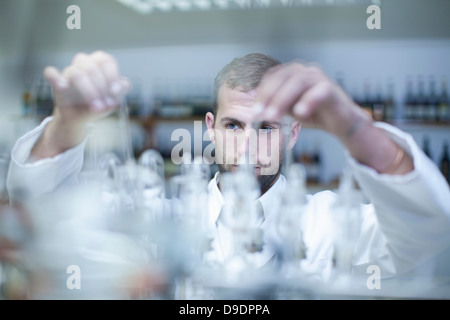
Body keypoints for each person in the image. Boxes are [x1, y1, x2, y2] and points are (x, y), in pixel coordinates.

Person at [6, 51, 450, 298]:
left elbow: (430, 234)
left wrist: (354, 128)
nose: (249, 145)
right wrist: (69, 126)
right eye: (234, 126)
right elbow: (44, 217)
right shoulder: (160, 218)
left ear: (294, 134)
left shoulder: (331, 221)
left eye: (267, 128)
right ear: (210, 129)